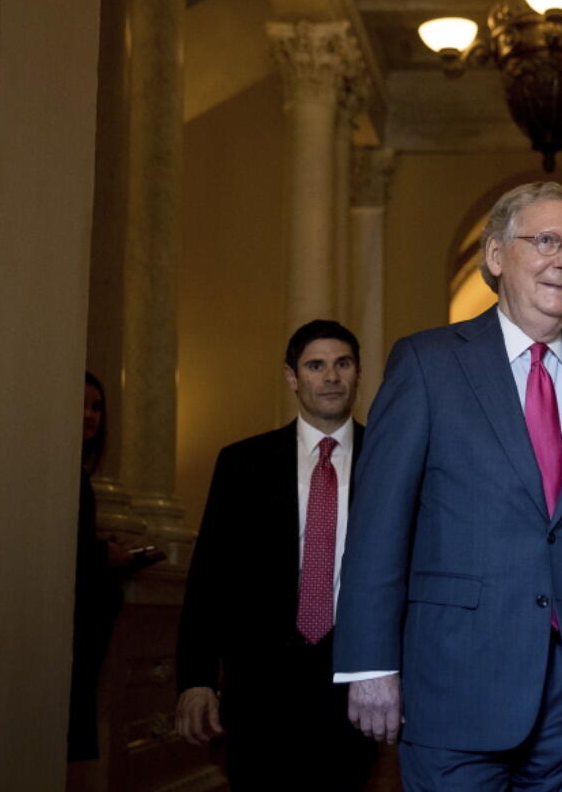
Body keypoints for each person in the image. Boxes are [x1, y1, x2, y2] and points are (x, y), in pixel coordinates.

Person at [332, 181, 562, 792]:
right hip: (455, 683)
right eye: (548, 241)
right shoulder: (427, 364)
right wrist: (370, 663)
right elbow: (379, 523)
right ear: (497, 255)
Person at [175, 320, 376, 789]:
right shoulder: (243, 463)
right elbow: (209, 579)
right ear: (292, 377)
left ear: (358, 373)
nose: (330, 377)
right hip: (260, 689)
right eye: (315, 365)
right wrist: (197, 678)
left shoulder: (389, 457)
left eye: (342, 364)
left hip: (355, 687)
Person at [68, 372, 129, 774]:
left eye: (97, 407)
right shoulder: (61, 474)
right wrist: (99, 553)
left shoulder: (79, 477)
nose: (90, 415)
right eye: (83, 404)